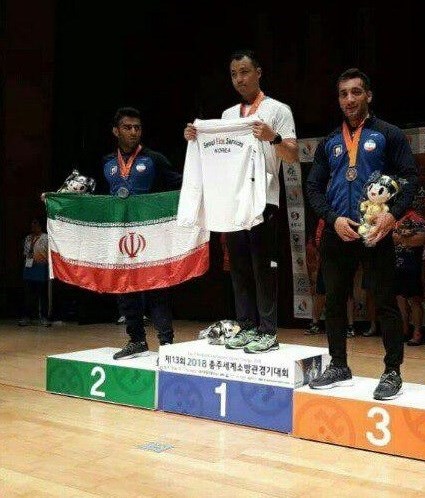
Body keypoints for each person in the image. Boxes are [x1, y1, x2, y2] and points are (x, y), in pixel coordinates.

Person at [306, 68, 418, 399]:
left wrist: (391, 216)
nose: (349, 99)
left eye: (356, 92)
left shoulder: (389, 134)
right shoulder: (329, 142)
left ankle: (392, 371)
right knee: (335, 301)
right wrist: (331, 219)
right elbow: (313, 187)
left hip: (375, 231)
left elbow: (410, 178)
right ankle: (338, 365)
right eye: (343, 94)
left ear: (368, 95)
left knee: (385, 301)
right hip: (338, 231)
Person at [184, 50, 298, 354]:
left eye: (245, 72)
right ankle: (246, 327)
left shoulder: (278, 109)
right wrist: (197, 137)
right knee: (239, 266)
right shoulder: (227, 116)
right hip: (232, 200)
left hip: (264, 199)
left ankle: (268, 331)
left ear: (258, 72)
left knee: (263, 267)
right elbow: (217, 157)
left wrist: (273, 138)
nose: (239, 79)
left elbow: (292, 155)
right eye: (234, 74)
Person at [105, 107, 182, 360]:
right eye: (127, 127)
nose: (133, 132)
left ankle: (166, 343)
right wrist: (58, 200)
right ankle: (136, 340)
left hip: (151, 236)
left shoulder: (154, 159)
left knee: (156, 287)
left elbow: (180, 184)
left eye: (137, 128)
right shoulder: (108, 163)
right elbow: (95, 196)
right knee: (125, 287)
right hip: (121, 236)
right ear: (116, 131)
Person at [392, 209, 425, 345]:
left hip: (412, 266)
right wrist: (403, 239)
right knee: (399, 299)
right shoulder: (394, 218)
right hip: (397, 265)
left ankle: (417, 333)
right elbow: (391, 238)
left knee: (414, 300)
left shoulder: (417, 218)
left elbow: (420, 239)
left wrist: (401, 239)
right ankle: (404, 330)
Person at [19, 218, 51, 327]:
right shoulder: (28, 238)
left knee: (42, 294)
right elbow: (25, 252)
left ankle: (44, 317)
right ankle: (27, 317)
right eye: (32, 225)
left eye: (35, 225)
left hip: (41, 268)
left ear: (40, 226)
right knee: (28, 295)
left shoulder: (46, 238)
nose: (33, 227)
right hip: (29, 268)